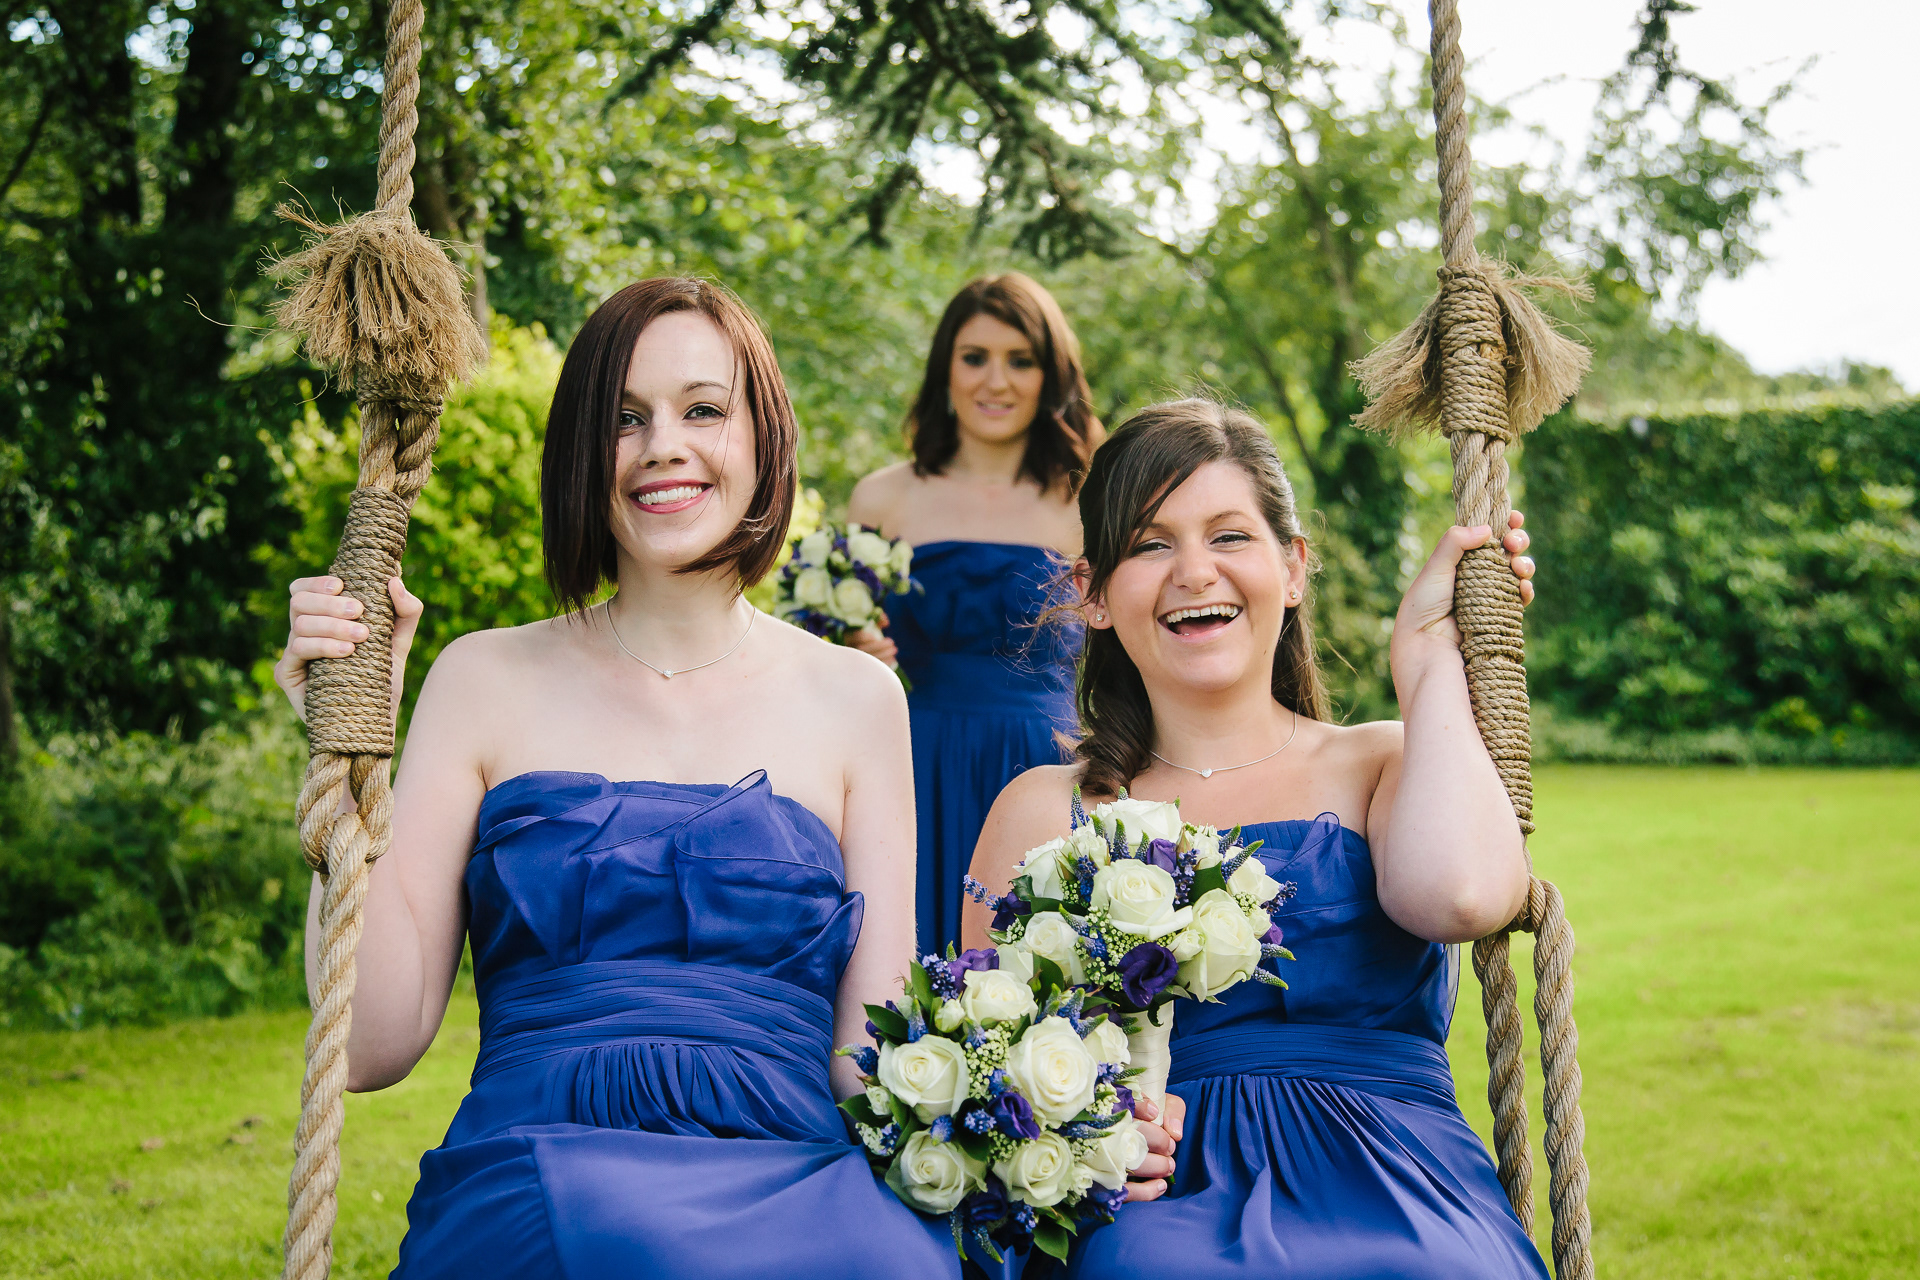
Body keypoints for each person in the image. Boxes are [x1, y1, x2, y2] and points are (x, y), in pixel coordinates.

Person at [271, 279, 1174, 1279]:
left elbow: (864, 1052)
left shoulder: (858, 700)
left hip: (796, 1165)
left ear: (763, 440)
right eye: (626, 416)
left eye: (704, 409)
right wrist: (347, 753)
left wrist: (1058, 1101)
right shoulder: (481, 677)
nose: (664, 443)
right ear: (580, 446)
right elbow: (368, 1047)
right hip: (552, 1157)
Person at [962, 398, 1550, 1278]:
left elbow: (1462, 896)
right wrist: (1088, 1131)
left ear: (1295, 566)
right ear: (1091, 592)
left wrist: (1427, 664)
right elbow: (987, 1059)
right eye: (1151, 545)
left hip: (1398, 1182)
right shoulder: (1046, 808)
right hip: (1158, 1200)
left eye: (1229, 536)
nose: (1194, 571)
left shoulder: (1381, 761)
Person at [847, 273, 1101, 955]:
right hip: (917, 762)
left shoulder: (1091, 500)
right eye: (975, 357)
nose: (997, 380)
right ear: (945, 368)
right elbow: (836, 658)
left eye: (1021, 360)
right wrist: (855, 650)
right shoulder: (883, 499)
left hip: (1051, 760)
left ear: (1051, 375)